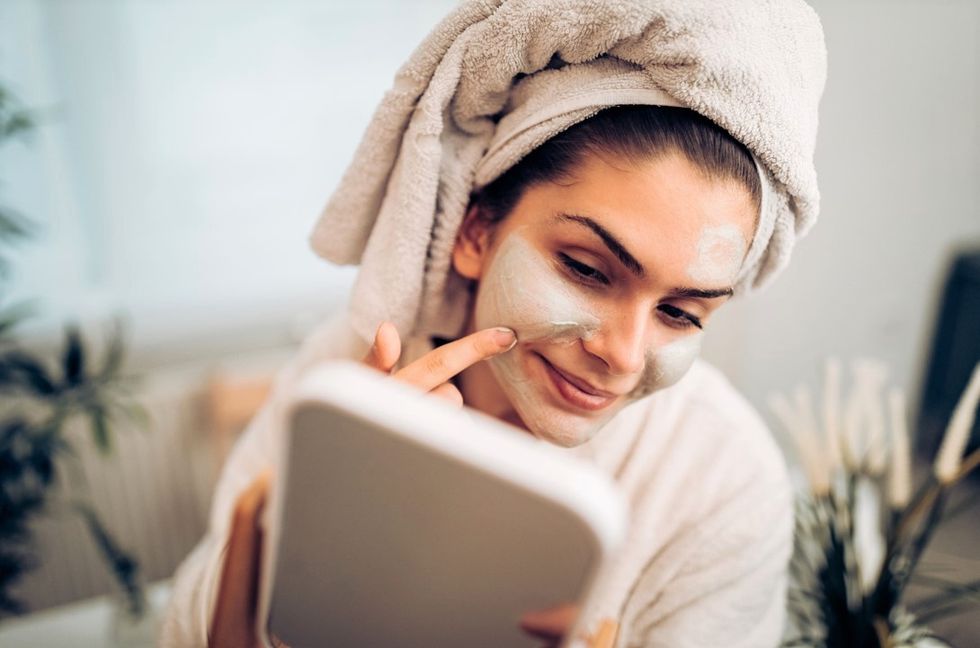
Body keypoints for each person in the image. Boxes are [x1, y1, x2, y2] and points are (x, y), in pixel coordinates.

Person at [161, 2, 826, 647]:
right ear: (476, 232)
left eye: (680, 313)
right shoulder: (348, 370)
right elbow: (193, 623)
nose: (623, 356)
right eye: (586, 269)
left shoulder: (725, 483)